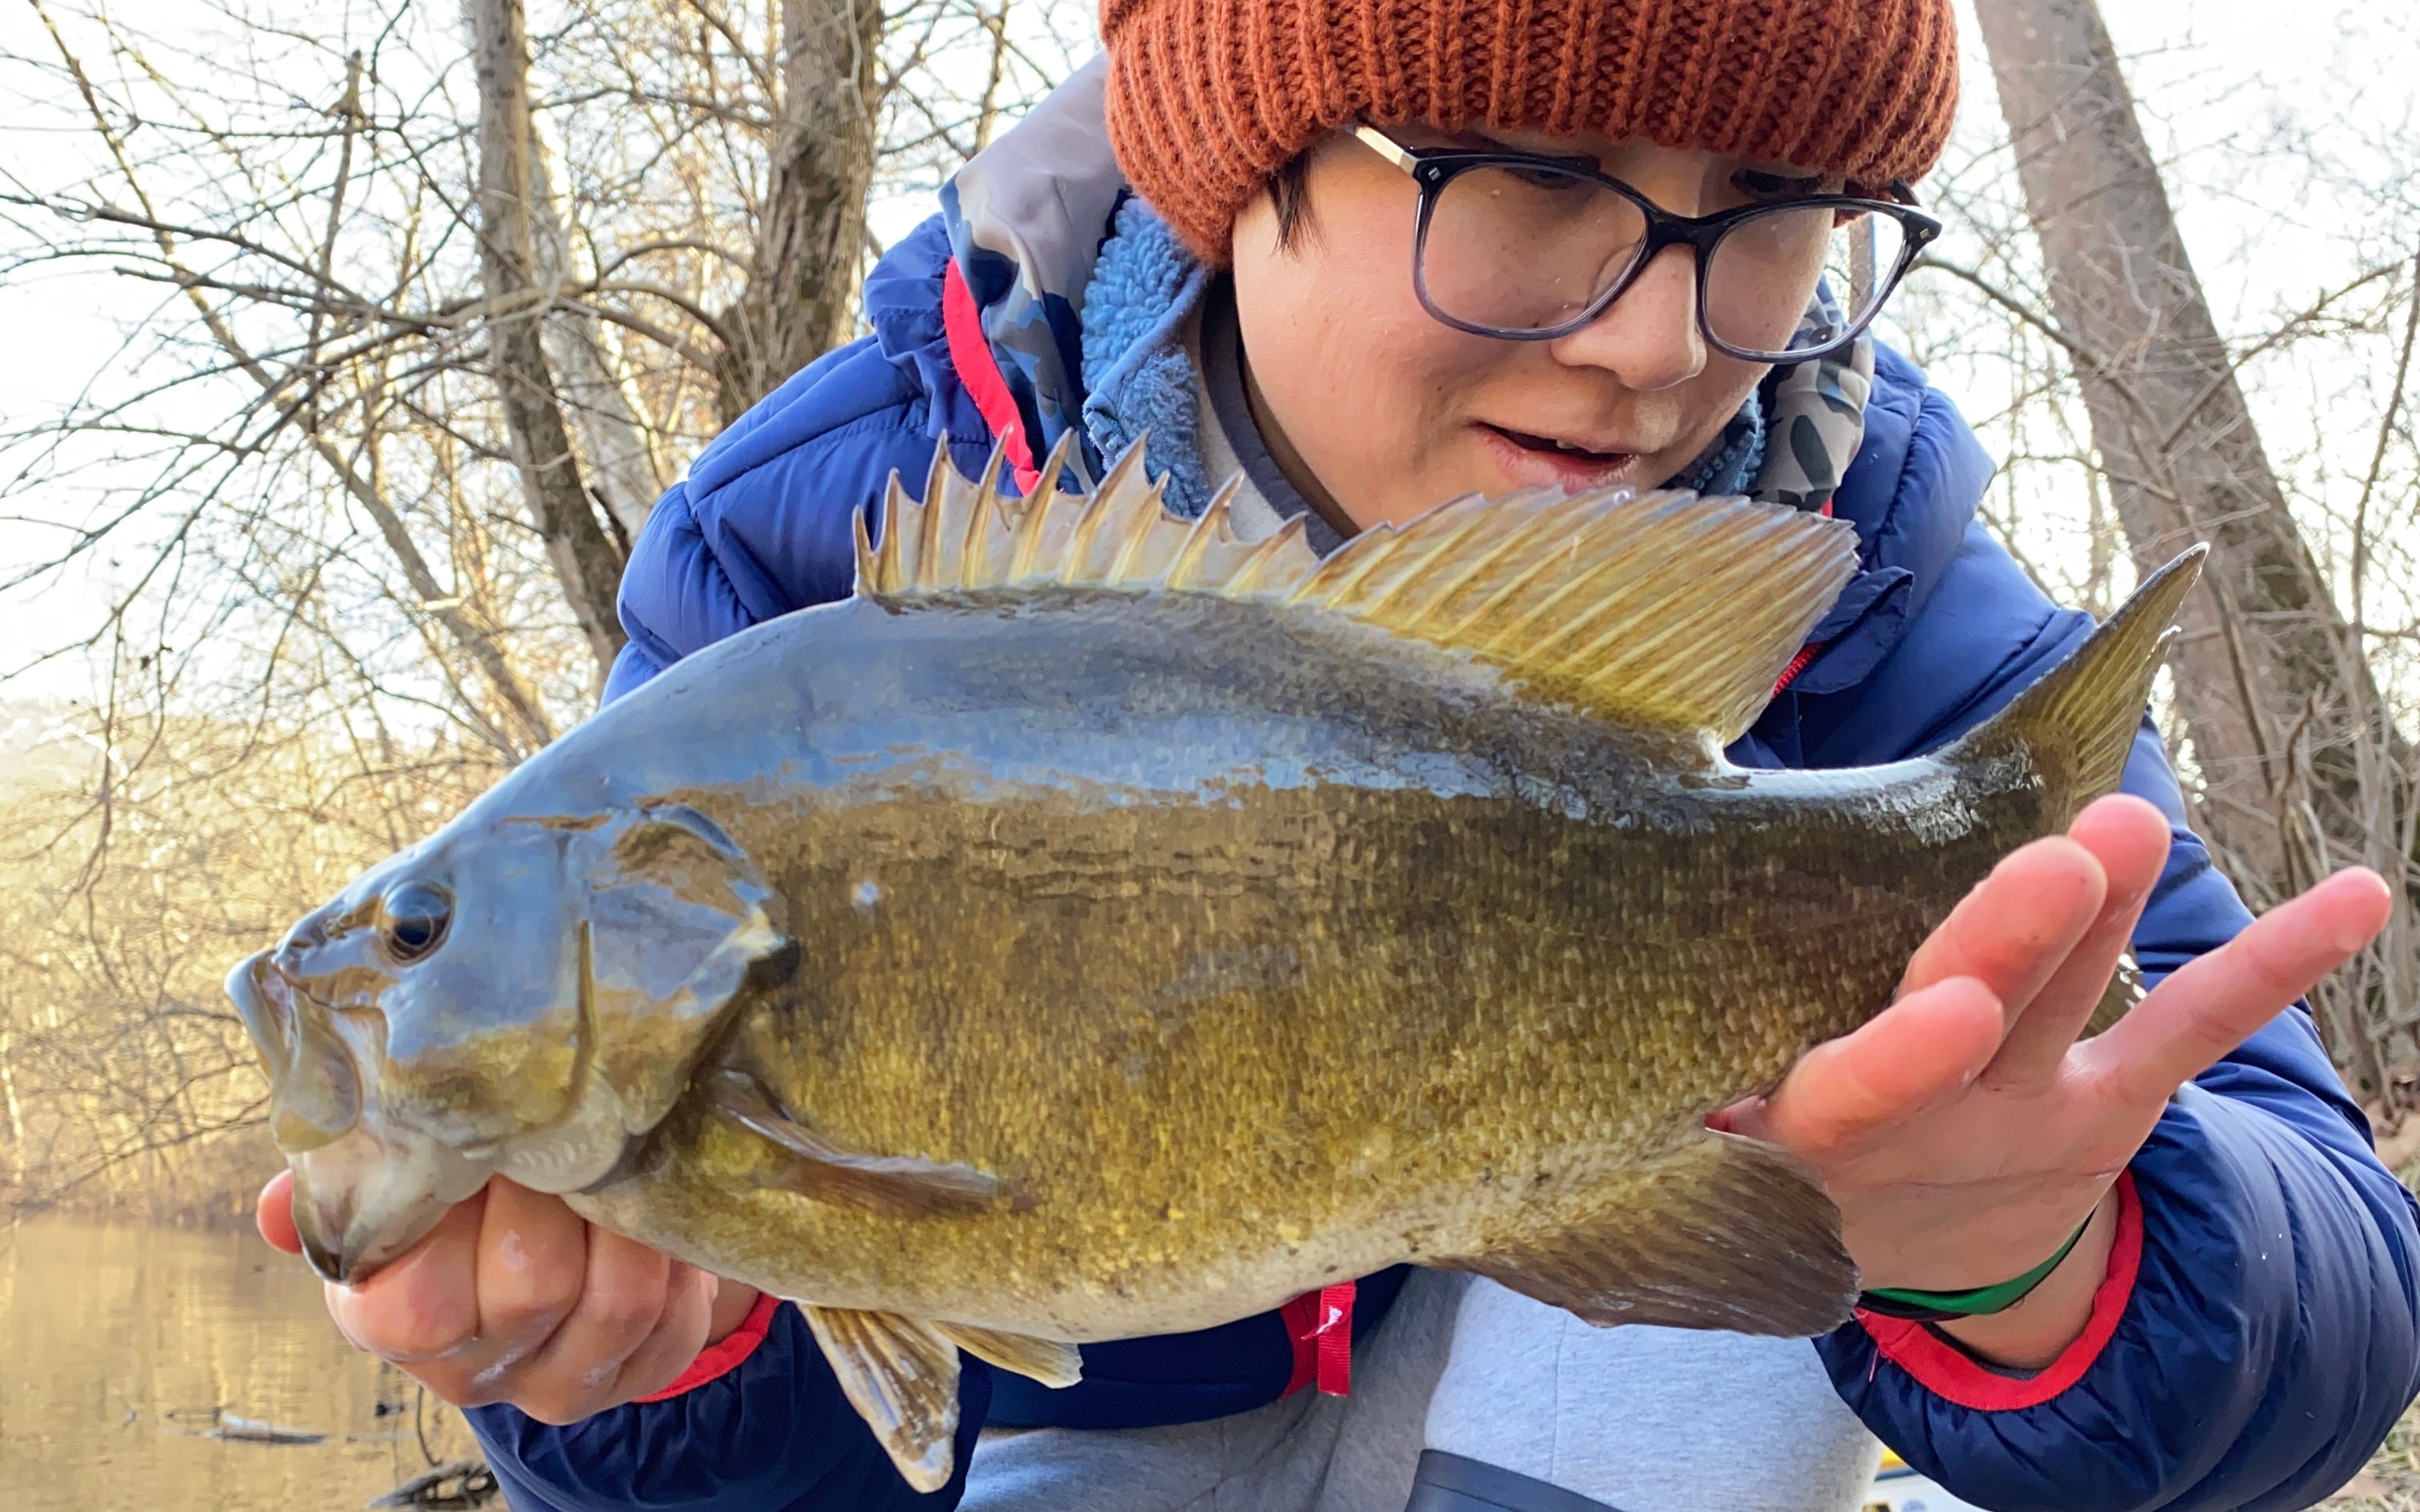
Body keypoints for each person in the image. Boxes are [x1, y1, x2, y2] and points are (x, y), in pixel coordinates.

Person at [254, 1, 2420, 1507]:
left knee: (1779, 1262)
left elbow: (2340, 1283)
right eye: (1531, 179)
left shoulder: (1861, 545)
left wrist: (2037, 1253)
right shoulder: (792, 575)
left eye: (1775, 214)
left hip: (1592, 1423)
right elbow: (799, 1483)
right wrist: (651, 1380)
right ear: (1240, 164)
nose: (1658, 336)